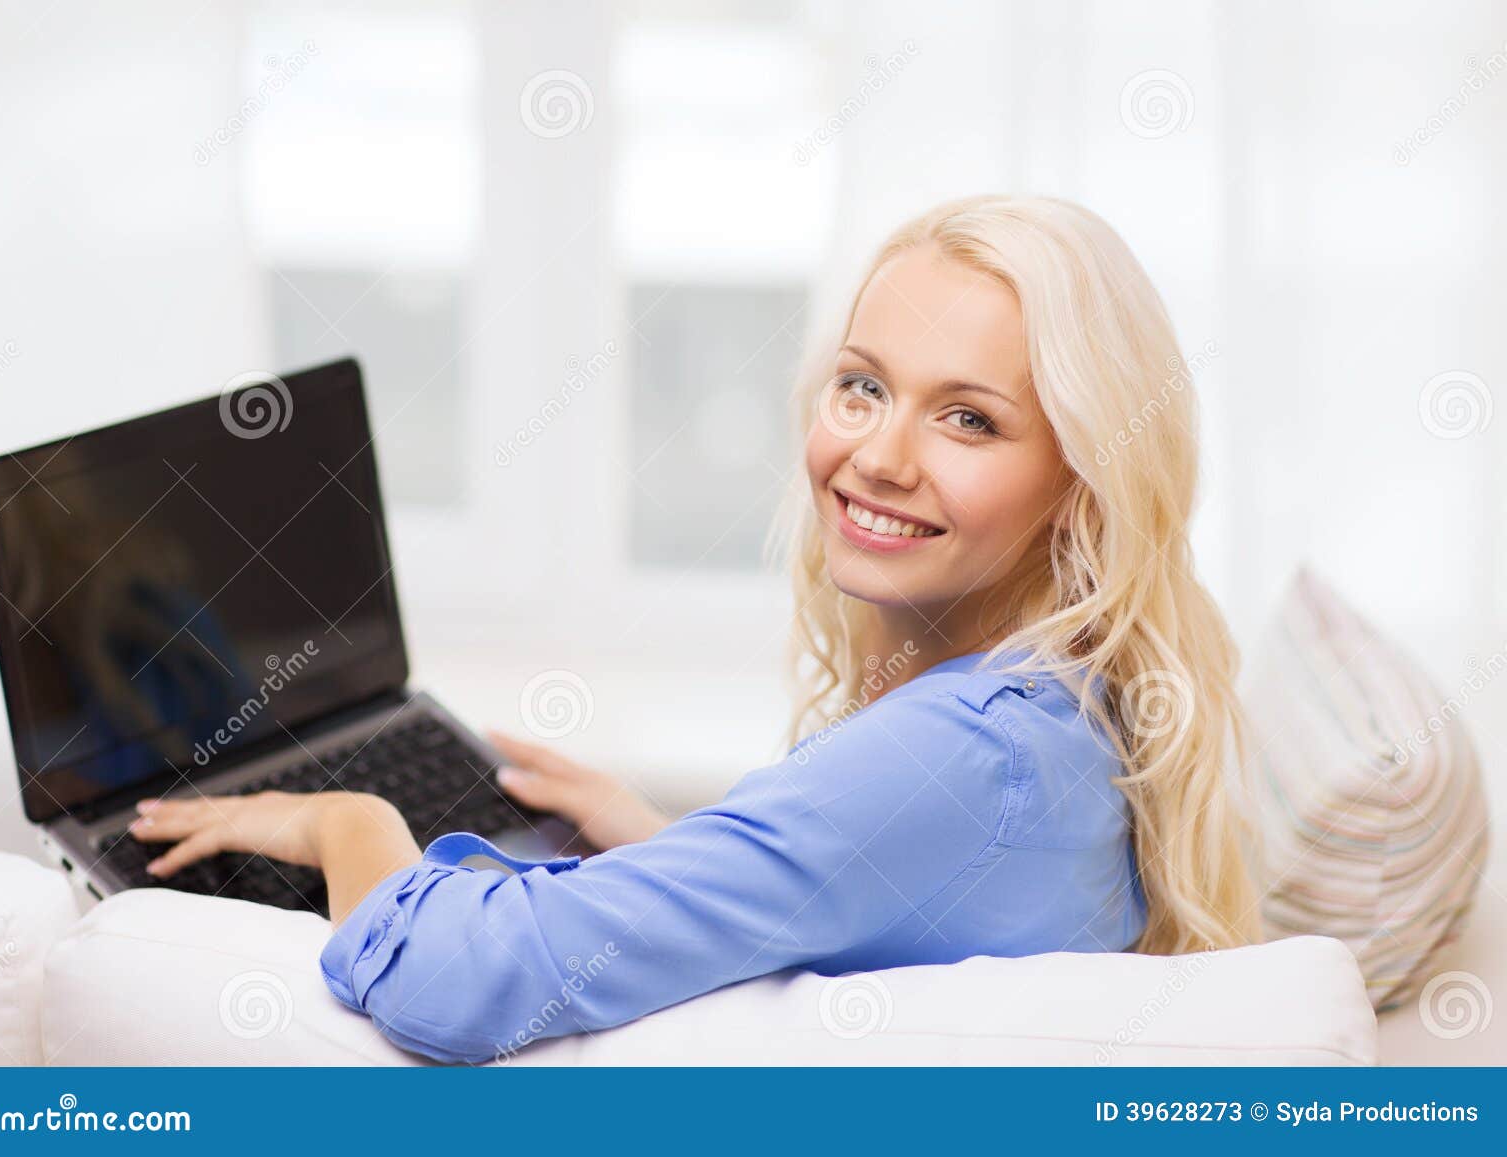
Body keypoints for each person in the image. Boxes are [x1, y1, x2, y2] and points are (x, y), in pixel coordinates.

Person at [129, 195, 1259, 1063]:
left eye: (968, 417)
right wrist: (669, 846)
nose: (878, 455)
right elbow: (895, 894)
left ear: (1080, 478)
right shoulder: (1066, 699)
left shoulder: (958, 754)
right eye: (863, 386)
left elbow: (457, 977)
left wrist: (346, 816)